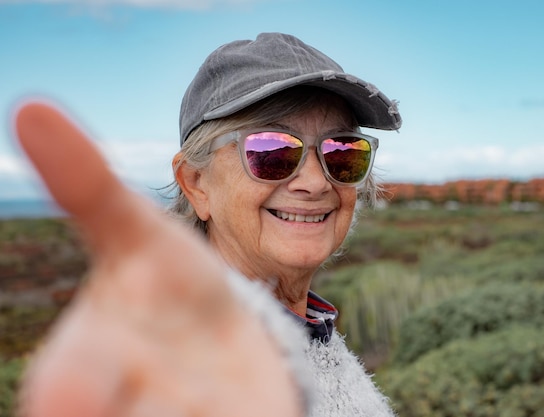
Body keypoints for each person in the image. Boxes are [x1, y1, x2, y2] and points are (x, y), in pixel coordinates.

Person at [13, 32, 402, 417]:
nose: (316, 182)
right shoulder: (187, 364)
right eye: (272, 151)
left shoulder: (317, 333)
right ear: (196, 183)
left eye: (342, 152)